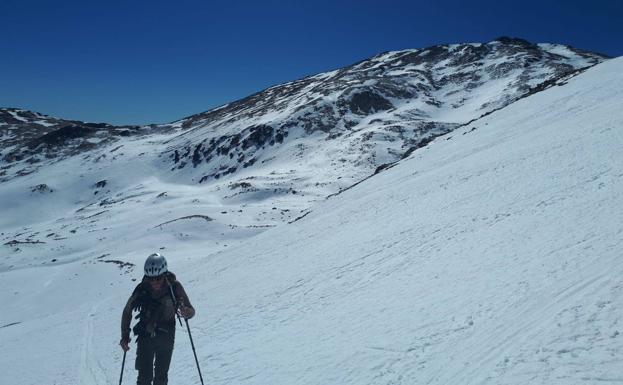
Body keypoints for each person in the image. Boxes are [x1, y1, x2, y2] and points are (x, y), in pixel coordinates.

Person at [120, 253, 195, 385]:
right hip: (145, 335)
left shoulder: (174, 287)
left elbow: (191, 311)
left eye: (158, 278)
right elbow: (127, 311)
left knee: (161, 377)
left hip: (166, 336)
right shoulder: (142, 289)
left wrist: (186, 312)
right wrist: (125, 336)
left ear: (164, 274)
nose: (154, 282)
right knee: (144, 378)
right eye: (151, 279)